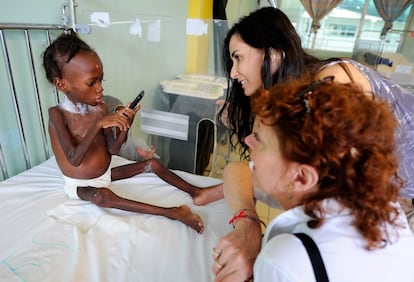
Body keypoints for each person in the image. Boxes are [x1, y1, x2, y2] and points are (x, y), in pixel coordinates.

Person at [214, 6, 414, 281]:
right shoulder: (292, 107)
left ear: (273, 53)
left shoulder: (329, 86)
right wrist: (246, 218)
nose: (234, 73)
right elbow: (242, 169)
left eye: (238, 58)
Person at [42, 31, 223, 234]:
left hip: (106, 173)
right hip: (81, 184)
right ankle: (173, 212)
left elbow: (112, 149)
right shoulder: (57, 115)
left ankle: (196, 192)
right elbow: (74, 159)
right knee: (102, 197)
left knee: (152, 164)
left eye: (101, 80)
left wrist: (126, 122)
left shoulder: (100, 109)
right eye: (92, 83)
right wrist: (99, 125)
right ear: (61, 84)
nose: (100, 89)